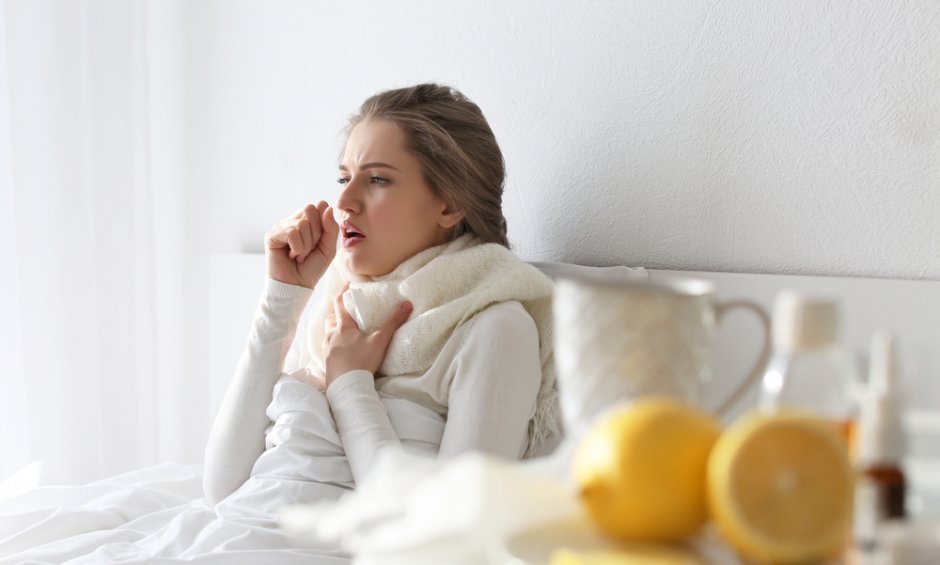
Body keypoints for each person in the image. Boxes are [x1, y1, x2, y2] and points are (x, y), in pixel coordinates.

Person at [0, 83, 556, 564]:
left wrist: (350, 385)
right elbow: (223, 487)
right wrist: (282, 300)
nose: (344, 201)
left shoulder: (495, 328)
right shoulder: (339, 310)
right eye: (344, 177)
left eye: (377, 180)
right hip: (220, 536)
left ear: (449, 205)